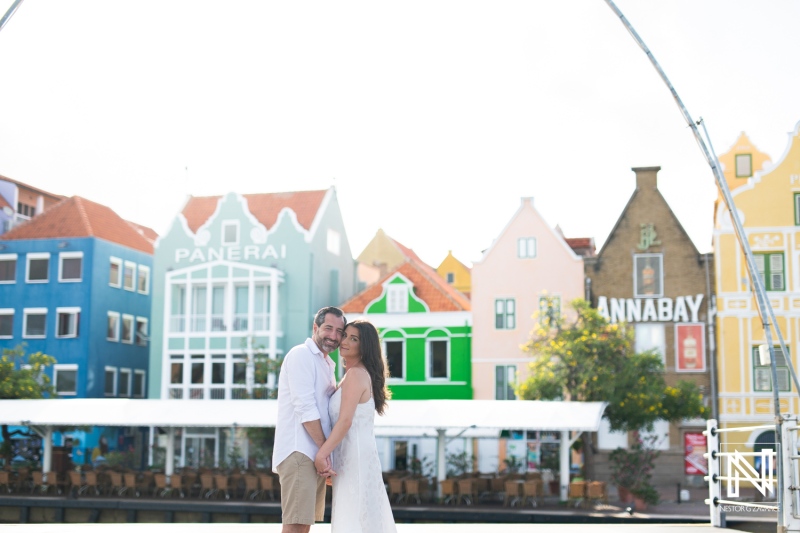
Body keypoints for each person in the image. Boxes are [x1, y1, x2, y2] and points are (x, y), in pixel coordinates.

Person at [315, 319, 397, 532]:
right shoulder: (352, 375)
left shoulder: (356, 374)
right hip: (350, 456)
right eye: (345, 335)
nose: (344, 341)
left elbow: (345, 421)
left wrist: (322, 455)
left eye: (354, 339)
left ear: (365, 346)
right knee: (355, 517)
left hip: (356, 456)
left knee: (355, 518)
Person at [272, 306, 346, 533]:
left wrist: (325, 456)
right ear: (315, 327)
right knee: (295, 526)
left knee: (303, 526)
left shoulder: (326, 364)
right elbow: (305, 408)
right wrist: (325, 453)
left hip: (313, 454)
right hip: (300, 452)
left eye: (339, 331)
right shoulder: (301, 355)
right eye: (328, 328)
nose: (333, 336)